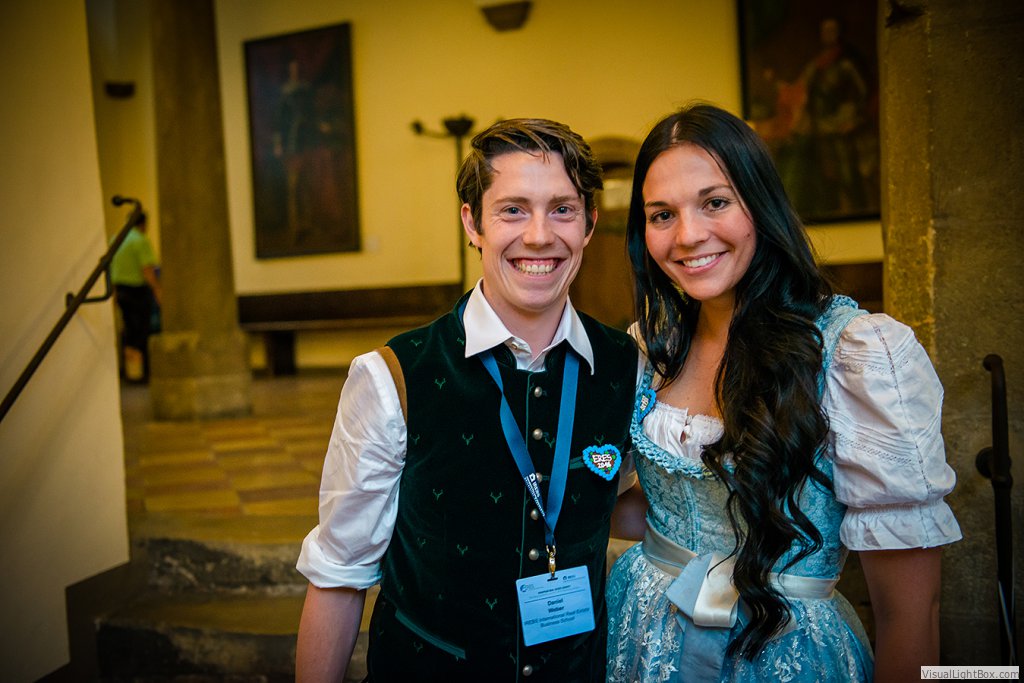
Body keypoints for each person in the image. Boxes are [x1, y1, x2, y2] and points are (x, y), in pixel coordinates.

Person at [605, 103, 961, 682]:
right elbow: (659, 504)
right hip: (642, 635)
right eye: (662, 214)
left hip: (783, 652)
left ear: (760, 203)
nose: (688, 235)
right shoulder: (651, 346)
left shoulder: (856, 354)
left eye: (715, 202)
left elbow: (910, 614)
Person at [295, 118, 641, 682]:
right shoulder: (392, 377)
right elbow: (338, 575)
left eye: (562, 209)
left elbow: (620, 501)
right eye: (512, 210)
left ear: (589, 224)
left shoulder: (626, 365)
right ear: (472, 223)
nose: (538, 236)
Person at [111, 211, 161, 382]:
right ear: (143, 224)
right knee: (141, 332)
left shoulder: (116, 239)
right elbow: (147, 270)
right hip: (137, 291)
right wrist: (158, 290)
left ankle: (131, 372)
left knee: (129, 331)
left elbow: (111, 268)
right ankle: (141, 373)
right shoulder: (140, 240)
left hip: (120, 290)